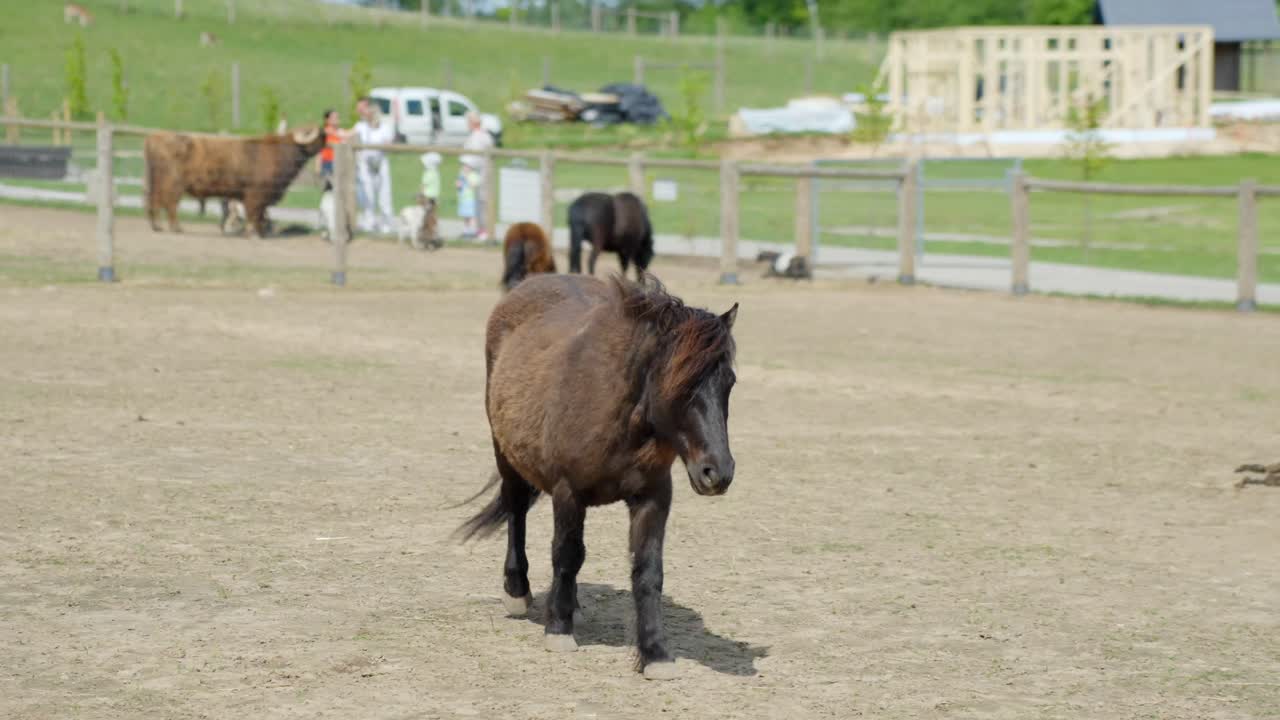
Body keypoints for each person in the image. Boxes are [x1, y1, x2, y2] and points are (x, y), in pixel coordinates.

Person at [351, 97, 395, 234]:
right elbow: (349, 135)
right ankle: (368, 221)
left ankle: (386, 223)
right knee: (367, 194)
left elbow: (388, 144)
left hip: (380, 164)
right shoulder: (361, 127)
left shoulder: (385, 127)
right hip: (365, 165)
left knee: (384, 194)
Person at [460, 111, 494, 241]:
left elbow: (473, 158)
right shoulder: (480, 135)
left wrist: (466, 169)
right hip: (477, 173)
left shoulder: (480, 136)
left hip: (480, 173)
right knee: (477, 202)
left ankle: (484, 230)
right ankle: (478, 228)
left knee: (482, 201)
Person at [456, 155, 481, 239]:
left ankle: (473, 231)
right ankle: (466, 231)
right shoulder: (461, 175)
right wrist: (458, 184)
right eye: (463, 166)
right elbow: (459, 186)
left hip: (470, 199)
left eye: (465, 166)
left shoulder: (474, 175)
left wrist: (466, 177)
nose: (463, 167)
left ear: (470, 167)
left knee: (471, 216)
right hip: (463, 199)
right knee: (465, 216)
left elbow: (473, 185)